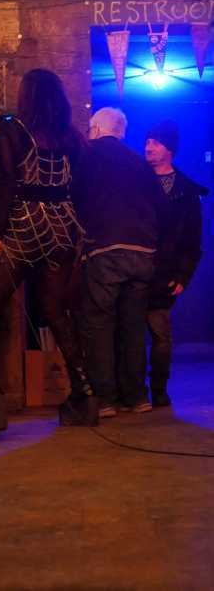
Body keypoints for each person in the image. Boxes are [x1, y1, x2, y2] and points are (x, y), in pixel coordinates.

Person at [0, 69, 95, 431]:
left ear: (26, 95)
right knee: (57, 311)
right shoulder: (71, 136)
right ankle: (84, 391)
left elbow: (6, 185)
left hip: (21, 227)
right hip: (63, 228)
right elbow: (81, 188)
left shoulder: (12, 131)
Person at [72, 107, 167, 417]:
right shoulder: (140, 163)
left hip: (105, 248)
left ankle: (105, 399)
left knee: (99, 324)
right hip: (143, 252)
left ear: (97, 130)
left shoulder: (87, 156)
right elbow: (158, 206)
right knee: (133, 326)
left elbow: (75, 198)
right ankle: (136, 396)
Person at [144, 120, 208, 407]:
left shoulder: (186, 191)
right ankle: (132, 390)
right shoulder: (137, 180)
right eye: (147, 141)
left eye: (155, 143)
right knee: (128, 334)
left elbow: (193, 240)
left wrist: (183, 276)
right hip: (135, 266)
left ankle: (158, 389)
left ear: (169, 149)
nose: (148, 147)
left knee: (160, 334)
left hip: (165, 272)